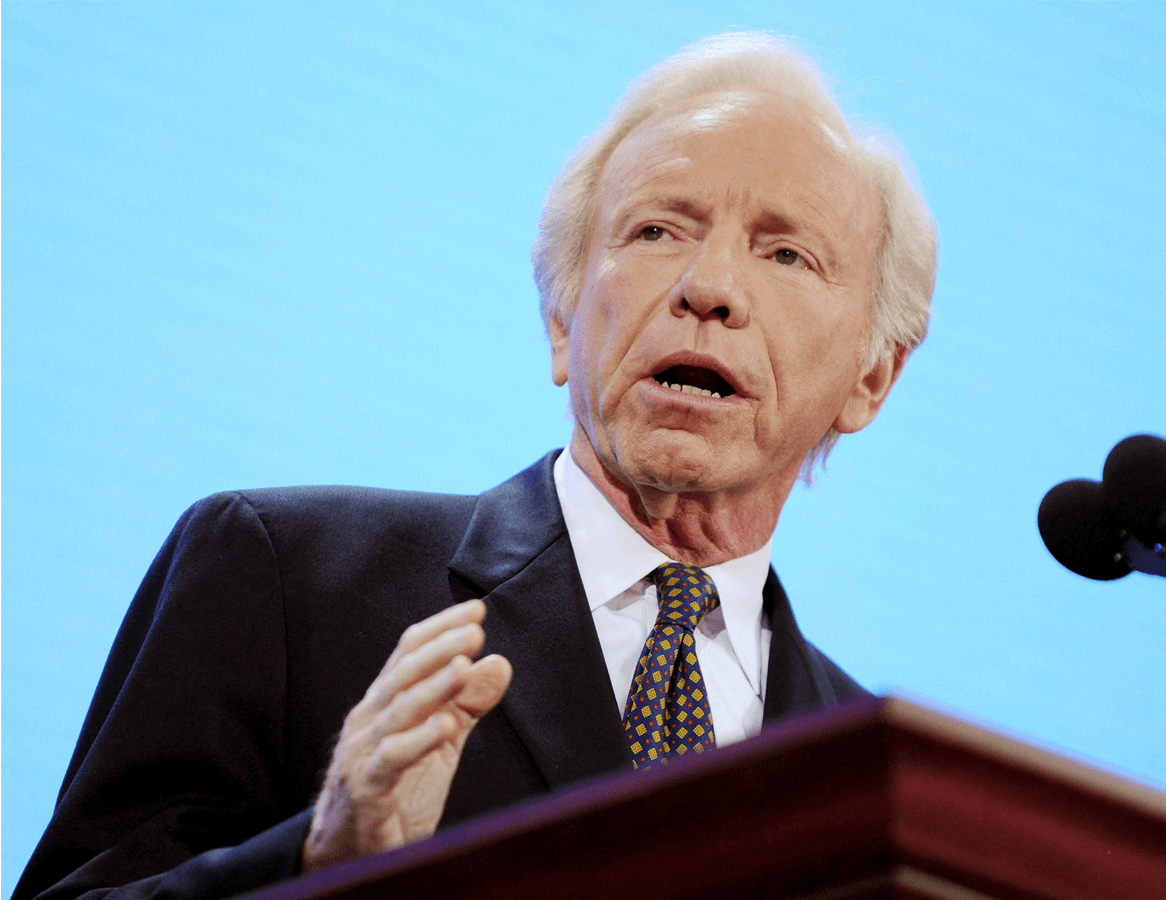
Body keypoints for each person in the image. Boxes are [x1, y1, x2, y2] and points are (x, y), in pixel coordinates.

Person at [14, 32, 937, 900]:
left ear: (872, 377)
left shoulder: (878, 781)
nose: (710, 288)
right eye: (657, 231)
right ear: (562, 320)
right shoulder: (284, 579)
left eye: (785, 252)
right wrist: (317, 861)